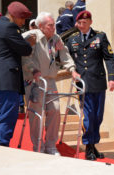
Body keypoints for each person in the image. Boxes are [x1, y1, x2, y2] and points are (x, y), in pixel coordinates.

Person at [22, 11, 80, 155]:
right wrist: (33, 70)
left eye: (54, 25)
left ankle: (50, 146)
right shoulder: (32, 36)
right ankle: (38, 146)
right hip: (35, 81)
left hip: (50, 81)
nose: (54, 27)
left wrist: (72, 70)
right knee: (36, 115)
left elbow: (65, 55)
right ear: (40, 26)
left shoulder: (56, 38)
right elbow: (24, 57)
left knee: (54, 110)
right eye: (50, 25)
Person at [66, 11, 114, 161]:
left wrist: (112, 78)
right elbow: (65, 58)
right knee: (88, 116)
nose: (81, 25)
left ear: (90, 22)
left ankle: (93, 145)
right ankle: (88, 146)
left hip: (99, 82)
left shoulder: (100, 37)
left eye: (84, 23)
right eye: (79, 23)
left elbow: (109, 57)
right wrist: (72, 71)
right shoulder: (72, 40)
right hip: (83, 83)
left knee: (98, 116)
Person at [0, 1, 34, 146]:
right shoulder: (8, 27)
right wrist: (30, 42)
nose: (23, 22)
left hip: (1, 79)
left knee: (4, 115)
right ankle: (1, 147)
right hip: (6, 79)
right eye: (22, 18)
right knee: (8, 116)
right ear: (14, 16)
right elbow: (25, 49)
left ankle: (1, 146)